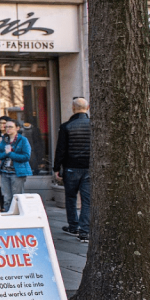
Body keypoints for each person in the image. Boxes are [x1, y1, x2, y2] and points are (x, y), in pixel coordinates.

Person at [54, 98, 92, 243]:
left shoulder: (66, 126)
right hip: (88, 167)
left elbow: (61, 150)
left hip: (71, 167)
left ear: (72, 108)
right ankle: (84, 230)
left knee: (70, 198)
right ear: (87, 107)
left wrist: (57, 168)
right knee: (87, 200)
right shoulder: (93, 125)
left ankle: (73, 225)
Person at [0, 118, 32, 212]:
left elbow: (26, 156)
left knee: (17, 198)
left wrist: (11, 154)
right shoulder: (4, 140)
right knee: (6, 198)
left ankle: (19, 218)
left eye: (10, 127)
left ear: (17, 128)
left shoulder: (23, 140)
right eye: (6, 127)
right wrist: (6, 154)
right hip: (4, 172)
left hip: (17, 172)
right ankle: (8, 219)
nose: (8, 129)